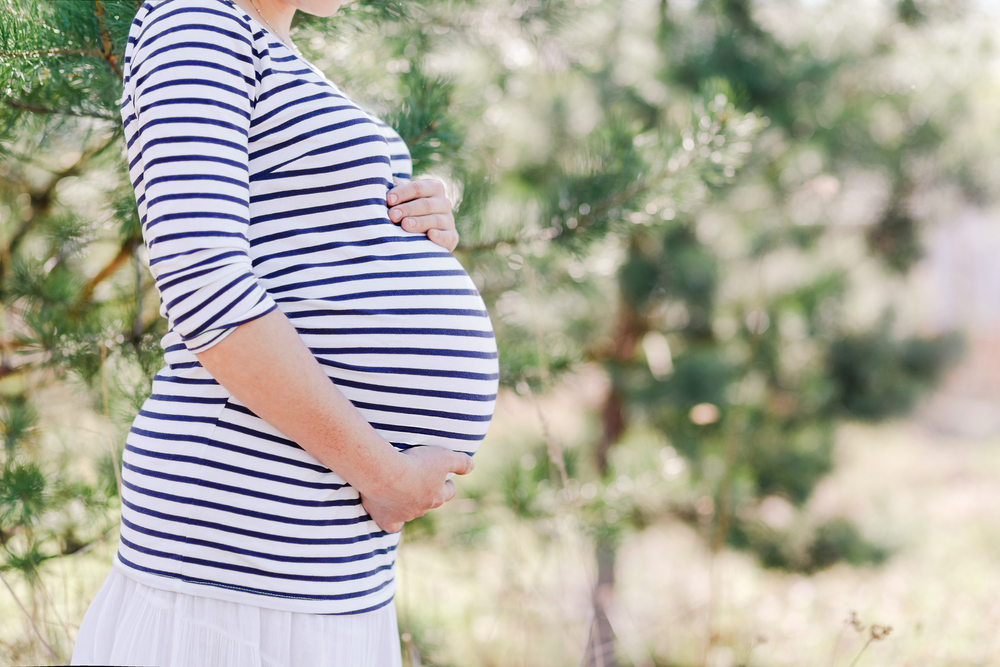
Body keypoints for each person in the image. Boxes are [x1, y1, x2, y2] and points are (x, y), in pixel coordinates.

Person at [71, 0, 498, 664]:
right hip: (236, 570)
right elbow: (205, 285)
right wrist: (385, 473)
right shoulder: (196, 18)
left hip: (322, 568)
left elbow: (296, 247)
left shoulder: (261, 47)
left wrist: (415, 214)